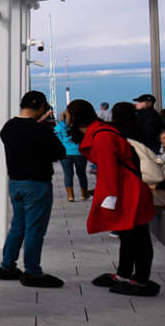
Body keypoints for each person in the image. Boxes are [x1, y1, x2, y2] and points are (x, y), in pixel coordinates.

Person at [68, 99, 160, 296]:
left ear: (74, 117)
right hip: (127, 188)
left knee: (137, 234)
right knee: (127, 233)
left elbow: (109, 169)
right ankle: (125, 273)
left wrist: (109, 197)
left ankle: (141, 278)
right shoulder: (101, 131)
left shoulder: (101, 136)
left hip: (127, 190)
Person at [0, 90, 66, 287]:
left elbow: (24, 138)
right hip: (37, 184)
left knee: (18, 225)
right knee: (35, 229)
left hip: (16, 183)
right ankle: (33, 272)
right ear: (42, 107)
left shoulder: (8, 127)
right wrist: (44, 128)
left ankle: (7, 266)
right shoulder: (41, 130)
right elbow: (58, 152)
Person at [54, 109, 89, 202]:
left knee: (68, 174)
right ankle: (84, 194)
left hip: (65, 153)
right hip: (79, 153)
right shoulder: (80, 126)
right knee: (81, 174)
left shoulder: (60, 126)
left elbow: (56, 137)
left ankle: (70, 196)